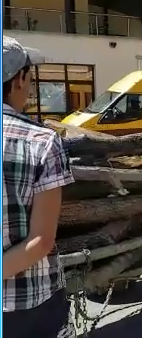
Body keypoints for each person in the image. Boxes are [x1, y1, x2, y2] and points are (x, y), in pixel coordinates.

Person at [2, 37, 76, 337]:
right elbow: (41, 242)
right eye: (30, 78)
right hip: (29, 305)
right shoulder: (41, 142)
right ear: (18, 79)